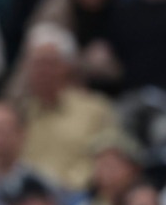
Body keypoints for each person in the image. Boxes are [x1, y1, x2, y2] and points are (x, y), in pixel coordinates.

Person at [12, 23, 123, 193]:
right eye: (36, 64)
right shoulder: (20, 114)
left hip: (76, 195)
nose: (42, 71)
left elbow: (107, 159)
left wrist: (68, 187)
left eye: (49, 63)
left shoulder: (95, 110)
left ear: (66, 67)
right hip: (27, 201)